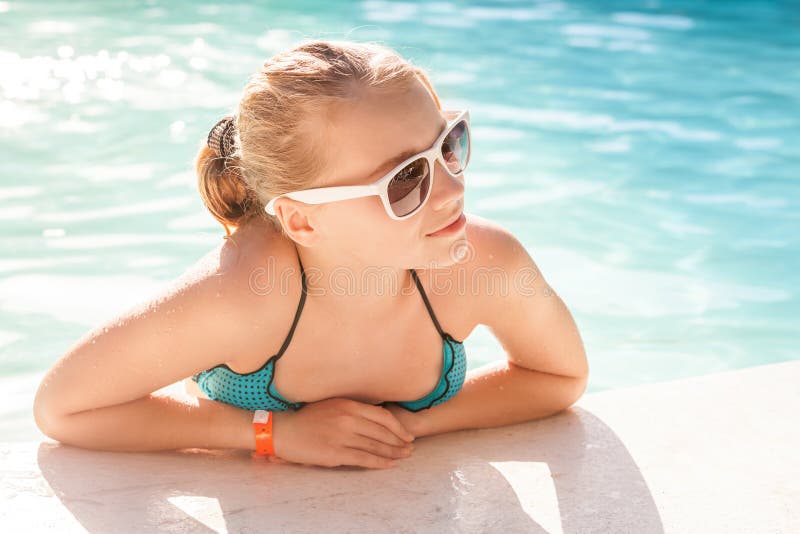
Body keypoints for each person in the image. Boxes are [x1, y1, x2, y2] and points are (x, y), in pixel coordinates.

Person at [33, 39, 589, 470]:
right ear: (302, 219)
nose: (452, 190)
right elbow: (65, 409)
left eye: (449, 145)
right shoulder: (248, 296)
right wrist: (269, 434)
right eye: (405, 179)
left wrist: (413, 425)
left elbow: (560, 375)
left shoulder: (480, 264)